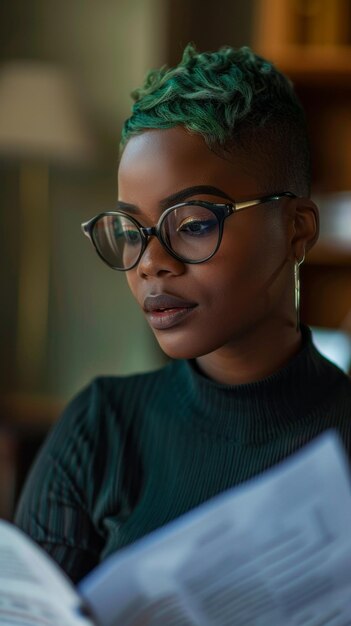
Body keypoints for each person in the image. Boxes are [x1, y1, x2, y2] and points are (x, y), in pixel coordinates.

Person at [15, 43, 351, 583]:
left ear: (298, 229)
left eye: (193, 223)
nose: (151, 264)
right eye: (131, 231)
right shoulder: (100, 430)